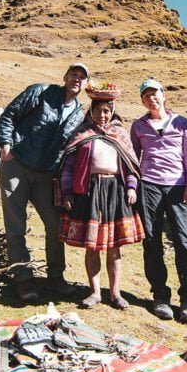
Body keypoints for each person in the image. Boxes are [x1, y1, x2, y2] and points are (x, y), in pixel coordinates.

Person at [0, 63, 89, 302]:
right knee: (16, 222)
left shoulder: (79, 113)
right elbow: (9, 115)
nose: (76, 79)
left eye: (82, 77)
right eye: (73, 74)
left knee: (55, 223)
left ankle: (56, 276)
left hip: (46, 174)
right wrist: (6, 144)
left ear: (86, 84)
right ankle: (23, 278)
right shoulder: (40, 92)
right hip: (17, 163)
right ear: (65, 76)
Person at [57, 83, 145, 310]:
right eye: (98, 110)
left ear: (113, 111)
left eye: (107, 110)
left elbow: (130, 165)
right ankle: (94, 292)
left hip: (115, 190)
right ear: (91, 111)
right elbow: (68, 166)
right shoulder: (82, 134)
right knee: (92, 246)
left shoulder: (120, 134)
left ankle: (115, 293)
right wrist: (67, 192)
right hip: (89, 191)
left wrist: (132, 187)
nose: (102, 115)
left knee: (115, 247)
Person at [130, 78, 187, 324]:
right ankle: (160, 296)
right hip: (149, 186)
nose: (152, 98)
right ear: (142, 100)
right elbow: (134, 158)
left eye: (155, 93)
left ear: (164, 95)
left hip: (179, 187)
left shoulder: (181, 122)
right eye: (146, 95)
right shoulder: (138, 126)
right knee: (152, 241)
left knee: (185, 242)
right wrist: (134, 186)